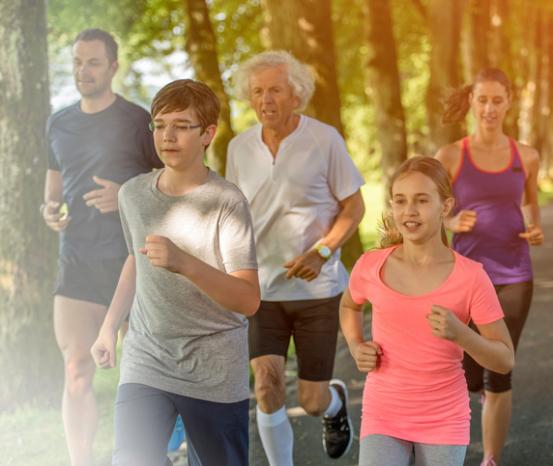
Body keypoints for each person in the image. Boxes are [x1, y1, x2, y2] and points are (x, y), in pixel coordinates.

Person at [90, 79, 260, 465]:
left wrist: (185, 263)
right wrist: (109, 325)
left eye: (181, 125)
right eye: (160, 124)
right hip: (148, 357)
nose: (167, 136)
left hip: (214, 369)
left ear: (207, 134)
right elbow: (136, 260)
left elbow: (248, 299)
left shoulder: (226, 202)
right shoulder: (132, 194)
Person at [226, 51, 365, 463]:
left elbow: (354, 207)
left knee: (311, 399)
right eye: (257, 92)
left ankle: (334, 403)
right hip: (262, 290)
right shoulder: (238, 148)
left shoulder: (325, 140)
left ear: (295, 96)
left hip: (316, 291)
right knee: (266, 386)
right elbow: (235, 215)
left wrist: (323, 252)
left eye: (275, 90)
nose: (265, 99)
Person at [340, 156, 514, 466]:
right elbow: (349, 304)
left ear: (445, 206)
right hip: (383, 413)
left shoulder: (471, 276)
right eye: (400, 201)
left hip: (443, 418)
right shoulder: (371, 265)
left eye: (422, 200)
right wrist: (355, 345)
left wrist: (461, 334)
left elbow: (504, 360)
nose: (409, 211)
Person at [43, 28, 162, 466]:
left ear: (113, 67)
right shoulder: (59, 121)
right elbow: (54, 184)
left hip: (130, 259)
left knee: (141, 373)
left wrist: (125, 193)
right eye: (76, 61)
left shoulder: (137, 120)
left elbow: (168, 183)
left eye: (92, 62)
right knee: (76, 369)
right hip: (75, 260)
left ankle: (148, 455)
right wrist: (49, 210)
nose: (83, 70)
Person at [435, 68, 543, 466]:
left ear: (509, 102)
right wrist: (449, 222)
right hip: (464, 276)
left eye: (498, 100)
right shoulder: (451, 156)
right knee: (463, 373)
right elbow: (429, 207)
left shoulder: (525, 155)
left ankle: (490, 459)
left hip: (515, 274)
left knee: (499, 367)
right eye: (482, 100)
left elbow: (530, 202)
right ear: (471, 102)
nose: (490, 108)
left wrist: (535, 228)